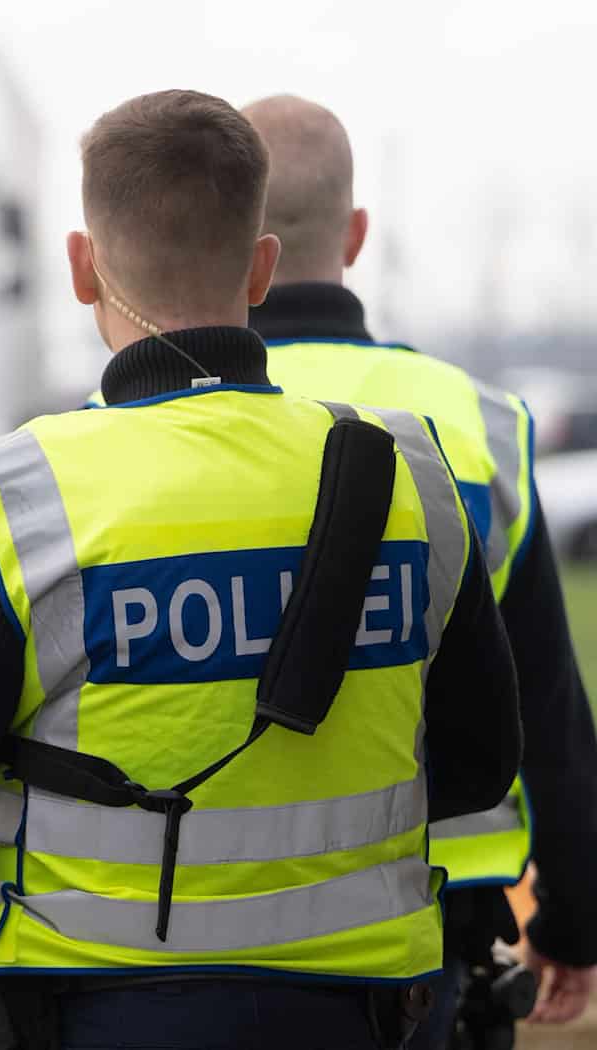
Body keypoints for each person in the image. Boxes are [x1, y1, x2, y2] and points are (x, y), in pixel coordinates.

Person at [0, 90, 519, 1049]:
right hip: (355, 1009)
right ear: (263, 267)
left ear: (81, 267)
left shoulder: (23, 493)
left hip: (84, 1005)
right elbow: (482, 760)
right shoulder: (411, 472)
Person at [235, 95, 597, 1045]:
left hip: (187, 925)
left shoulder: (138, 423)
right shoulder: (481, 422)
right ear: (355, 234)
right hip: (435, 922)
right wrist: (572, 920)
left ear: (233, 237)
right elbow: (547, 700)